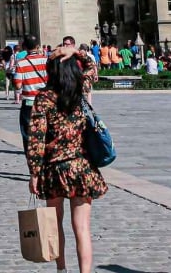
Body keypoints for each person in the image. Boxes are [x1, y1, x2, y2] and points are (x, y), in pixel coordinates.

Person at [26, 55, 107, 273]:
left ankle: (61, 270)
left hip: (54, 168)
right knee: (82, 228)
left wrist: (34, 172)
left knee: (55, 224)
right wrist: (74, 51)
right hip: (81, 166)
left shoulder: (44, 98)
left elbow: (36, 138)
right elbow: (92, 66)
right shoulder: (80, 90)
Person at [12, 36, 48, 150]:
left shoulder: (21, 63)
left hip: (29, 102)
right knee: (47, 128)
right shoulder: (46, 60)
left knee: (27, 132)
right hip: (45, 100)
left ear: (24, 47)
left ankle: (32, 155)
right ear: (38, 46)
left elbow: (18, 85)